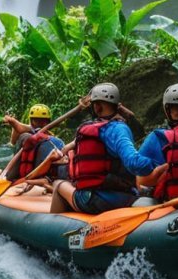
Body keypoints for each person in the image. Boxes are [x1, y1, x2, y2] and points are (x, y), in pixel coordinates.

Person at [52, 83, 157, 214]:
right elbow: (134, 162)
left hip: (94, 200)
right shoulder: (117, 128)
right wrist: (158, 164)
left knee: (58, 184)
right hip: (116, 195)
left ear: (96, 107)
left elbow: (133, 162)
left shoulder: (93, 129)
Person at [2, 104, 66, 182]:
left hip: (39, 175)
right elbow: (14, 138)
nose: (40, 124)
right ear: (32, 121)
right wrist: (13, 123)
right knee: (25, 136)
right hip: (25, 174)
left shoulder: (53, 139)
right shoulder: (26, 134)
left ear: (48, 122)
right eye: (37, 121)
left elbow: (18, 131)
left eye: (43, 121)